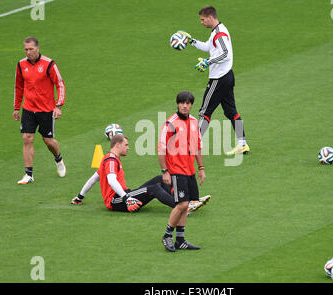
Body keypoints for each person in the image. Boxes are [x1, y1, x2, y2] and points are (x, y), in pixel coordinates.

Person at [71, 134, 211, 214]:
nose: (128, 148)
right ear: (117, 145)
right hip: (117, 201)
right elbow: (112, 180)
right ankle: (182, 208)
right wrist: (127, 198)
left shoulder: (108, 159)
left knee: (160, 179)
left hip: (124, 196)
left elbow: (94, 178)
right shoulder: (111, 161)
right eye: (126, 145)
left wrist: (79, 196)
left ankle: (186, 201)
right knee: (153, 189)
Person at [178, 6, 250, 155]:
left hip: (219, 79)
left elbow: (225, 54)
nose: (201, 22)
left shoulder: (220, 33)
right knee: (231, 111)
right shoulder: (216, 32)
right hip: (227, 76)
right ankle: (242, 144)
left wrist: (207, 62)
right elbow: (208, 47)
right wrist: (191, 41)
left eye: (203, 20)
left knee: (205, 111)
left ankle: (194, 143)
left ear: (210, 17)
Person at [13, 36, 66, 184]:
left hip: (46, 110)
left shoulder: (49, 64)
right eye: (26, 49)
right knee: (26, 138)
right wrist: (17, 108)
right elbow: (18, 87)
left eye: (31, 49)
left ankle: (58, 159)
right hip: (29, 109)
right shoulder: (21, 64)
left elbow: (60, 84)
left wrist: (58, 106)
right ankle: (28, 174)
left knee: (48, 141)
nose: (28, 52)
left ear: (37, 48)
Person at [158, 91, 205, 252]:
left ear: (191, 105)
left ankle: (180, 240)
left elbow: (198, 147)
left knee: (186, 206)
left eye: (188, 103)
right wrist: (165, 171)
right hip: (176, 170)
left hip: (189, 170)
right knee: (182, 204)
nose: (185, 105)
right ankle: (167, 236)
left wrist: (201, 168)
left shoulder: (193, 122)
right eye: (182, 103)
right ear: (177, 104)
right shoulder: (170, 123)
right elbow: (161, 149)